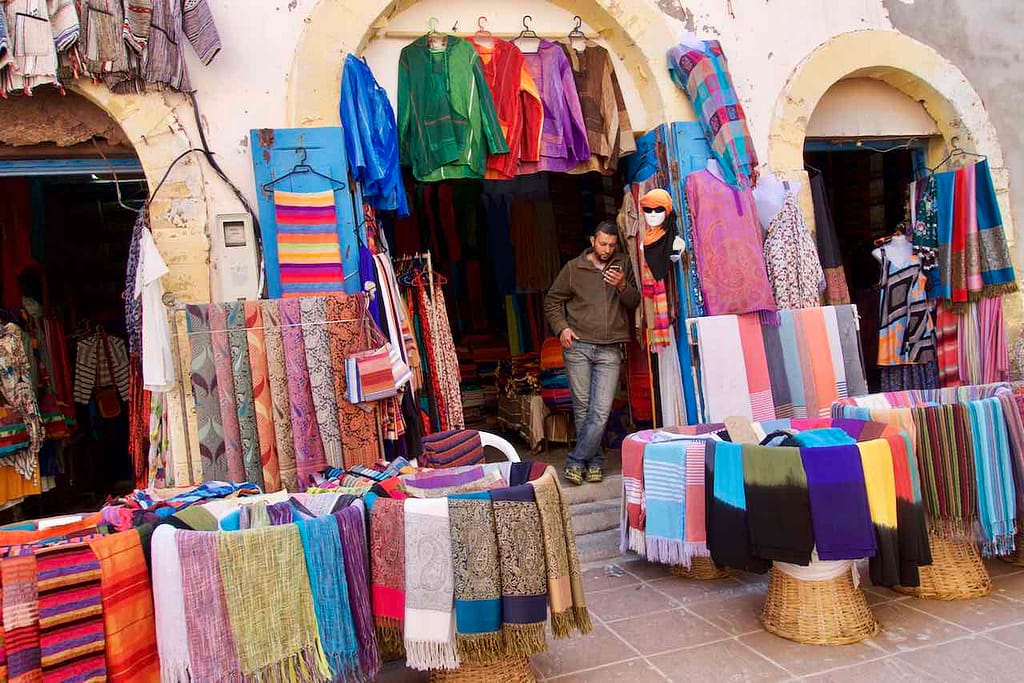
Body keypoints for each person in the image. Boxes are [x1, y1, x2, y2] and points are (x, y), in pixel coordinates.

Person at [544, 220, 640, 485]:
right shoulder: (574, 268)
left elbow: (634, 301)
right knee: (583, 409)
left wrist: (622, 285)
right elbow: (552, 300)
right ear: (592, 241)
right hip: (579, 347)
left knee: (600, 412)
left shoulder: (623, 264)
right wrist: (562, 328)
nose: (607, 249)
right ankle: (594, 462)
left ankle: (576, 461)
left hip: (610, 349)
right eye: (603, 244)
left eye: (612, 245)